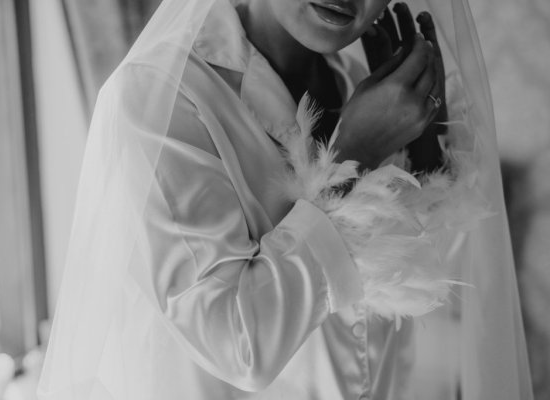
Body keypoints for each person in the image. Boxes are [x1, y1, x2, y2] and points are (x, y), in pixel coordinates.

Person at [38, 0, 533, 399]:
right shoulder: (159, 96)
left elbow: (402, 303)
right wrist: (352, 158)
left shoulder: (359, 82)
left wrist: (421, 156)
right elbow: (238, 346)